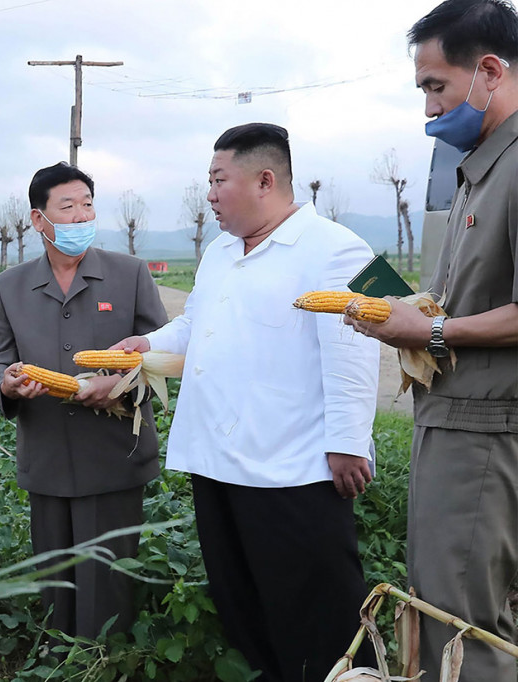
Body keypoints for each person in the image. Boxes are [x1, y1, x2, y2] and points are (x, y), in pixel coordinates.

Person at [112, 124, 380, 681]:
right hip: (217, 459)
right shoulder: (219, 250)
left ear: (264, 180)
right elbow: (196, 323)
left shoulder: (336, 247)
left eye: (218, 180)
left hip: (293, 466)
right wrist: (147, 344)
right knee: (244, 603)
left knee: (316, 610)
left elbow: (354, 353)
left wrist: (349, 443)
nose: (209, 193)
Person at [346, 2, 518, 678]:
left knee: (463, 628)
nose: (427, 110)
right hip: (454, 423)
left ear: (489, 70)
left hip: (486, 433)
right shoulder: (481, 167)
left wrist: (434, 328)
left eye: (434, 87)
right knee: (443, 606)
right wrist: (408, 319)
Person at [0, 162, 168, 641]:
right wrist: (7, 382)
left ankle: (108, 662)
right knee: (57, 583)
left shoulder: (129, 275)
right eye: (68, 207)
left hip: (114, 456)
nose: (82, 216)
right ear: (38, 219)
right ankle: (59, 661)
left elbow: (163, 352)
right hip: (47, 456)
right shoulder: (10, 286)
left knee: (109, 584)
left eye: (88, 205)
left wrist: (120, 383)